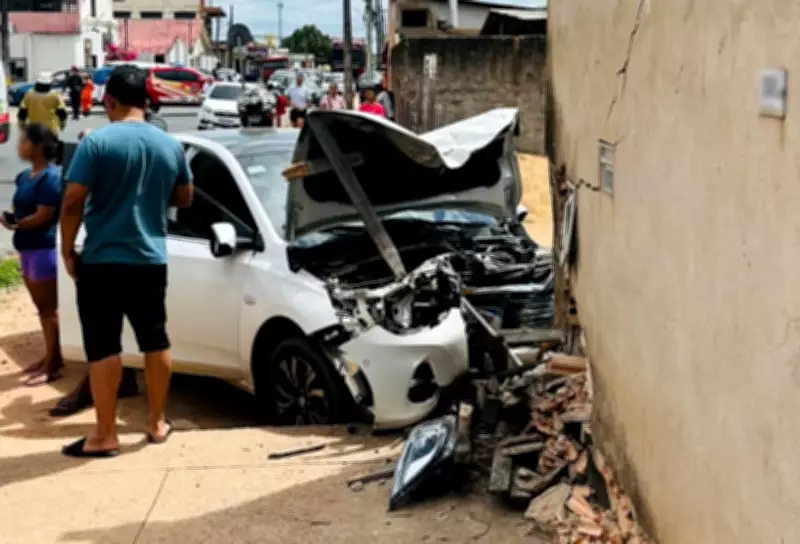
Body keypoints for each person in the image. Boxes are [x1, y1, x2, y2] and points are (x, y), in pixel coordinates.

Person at [60, 65, 194, 457]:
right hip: (150, 259)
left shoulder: (97, 143)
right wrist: (150, 196)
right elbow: (185, 197)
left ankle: (105, 434)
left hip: (102, 260)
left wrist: (68, 251)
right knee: (156, 338)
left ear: (110, 101)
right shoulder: (170, 145)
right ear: (147, 102)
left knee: (104, 346)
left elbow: (72, 203)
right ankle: (156, 423)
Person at [0, 124, 64, 386]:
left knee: (48, 309)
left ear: (36, 146)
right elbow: (21, 208)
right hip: (27, 248)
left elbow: (44, 215)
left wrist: (16, 224)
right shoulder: (25, 176)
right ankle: (51, 356)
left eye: (24, 141)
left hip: (43, 249)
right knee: (42, 308)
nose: (19, 146)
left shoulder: (51, 178)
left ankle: (53, 363)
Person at [18, 72, 68, 138]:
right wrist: (62, 125)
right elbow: (62, 113)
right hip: (51, 131)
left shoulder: (29, 95)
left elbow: (22, 113)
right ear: (49, 83)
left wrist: (22, 126)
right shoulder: (55, 96)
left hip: (34, 132)